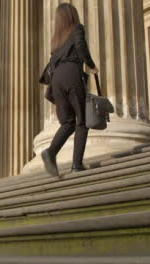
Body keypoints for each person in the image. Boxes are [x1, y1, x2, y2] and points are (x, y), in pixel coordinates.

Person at [41, 3, 99, 176]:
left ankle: (51, 152)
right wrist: (91, 65)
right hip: (72, 74)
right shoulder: (76, 29)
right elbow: (81, 46)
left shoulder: (56, 41)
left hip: (57, 81)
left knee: (67, 122)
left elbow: (52, 64)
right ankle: (76, 164)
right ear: (72, 15)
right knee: (82, 120)